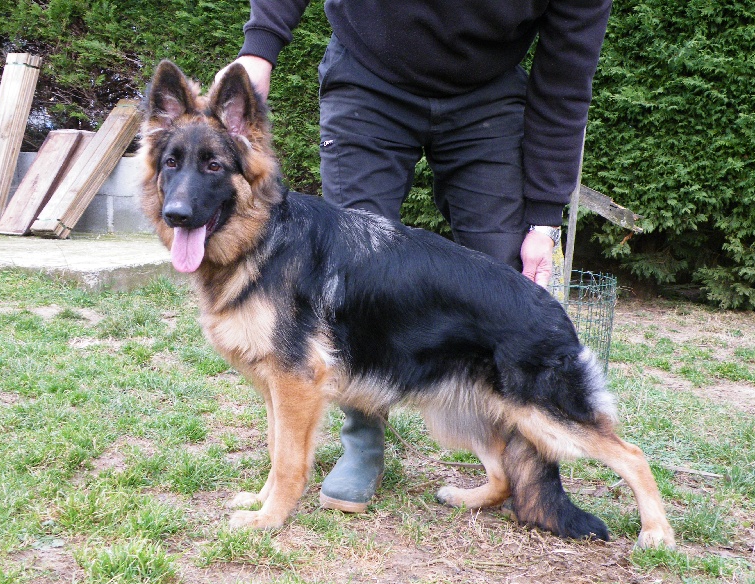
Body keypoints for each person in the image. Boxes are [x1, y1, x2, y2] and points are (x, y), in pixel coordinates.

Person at [217, 0, 612, 514]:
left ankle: (514, 470)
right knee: (350, 283)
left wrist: (542, 216)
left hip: (487, 93)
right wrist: (259, 47)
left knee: (499, 281)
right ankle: (363, 444)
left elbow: (565, 80)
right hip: (368, 74)